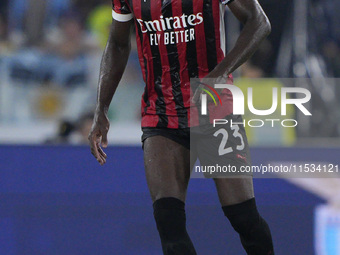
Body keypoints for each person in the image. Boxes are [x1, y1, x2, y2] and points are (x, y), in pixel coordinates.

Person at [88, 0, 274, 254]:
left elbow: (259, 22)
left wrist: (220, 72)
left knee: (243, 218)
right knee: (169, 225)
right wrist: (101, 107)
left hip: (213, 107)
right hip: (161, 111)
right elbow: (118, 44)